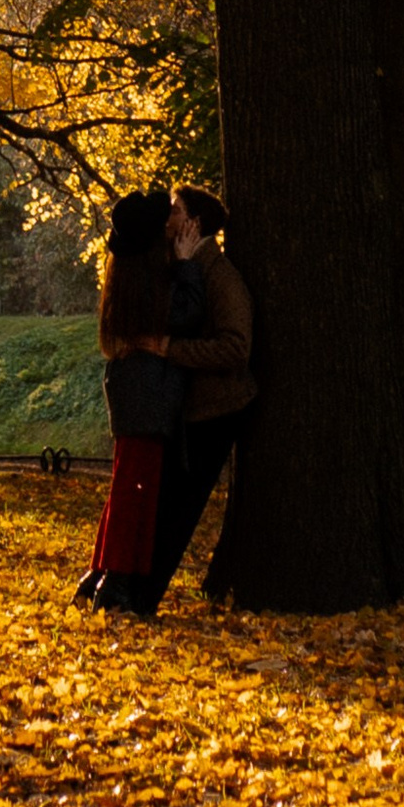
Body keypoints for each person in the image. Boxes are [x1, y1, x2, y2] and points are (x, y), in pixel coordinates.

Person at [135, 185, 256, 614]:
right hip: (192, 409)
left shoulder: (221, 276)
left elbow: (235, 348)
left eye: (176, 211)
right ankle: (137, 595)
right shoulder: (189, 265)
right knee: (165, 505)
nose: (168, 218)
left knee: (178, 510)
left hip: (217, 411)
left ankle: (143, 599)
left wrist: (171, 349)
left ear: (194, 224)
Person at [76, 188, 196, 615]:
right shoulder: (154, 281)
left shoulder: (125, 276)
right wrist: (185, 267)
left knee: (126, 484)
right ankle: (118, 580)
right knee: (137, 488)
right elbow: (183, 316)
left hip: (133, 388)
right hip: (149, 392)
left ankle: (102, 573)